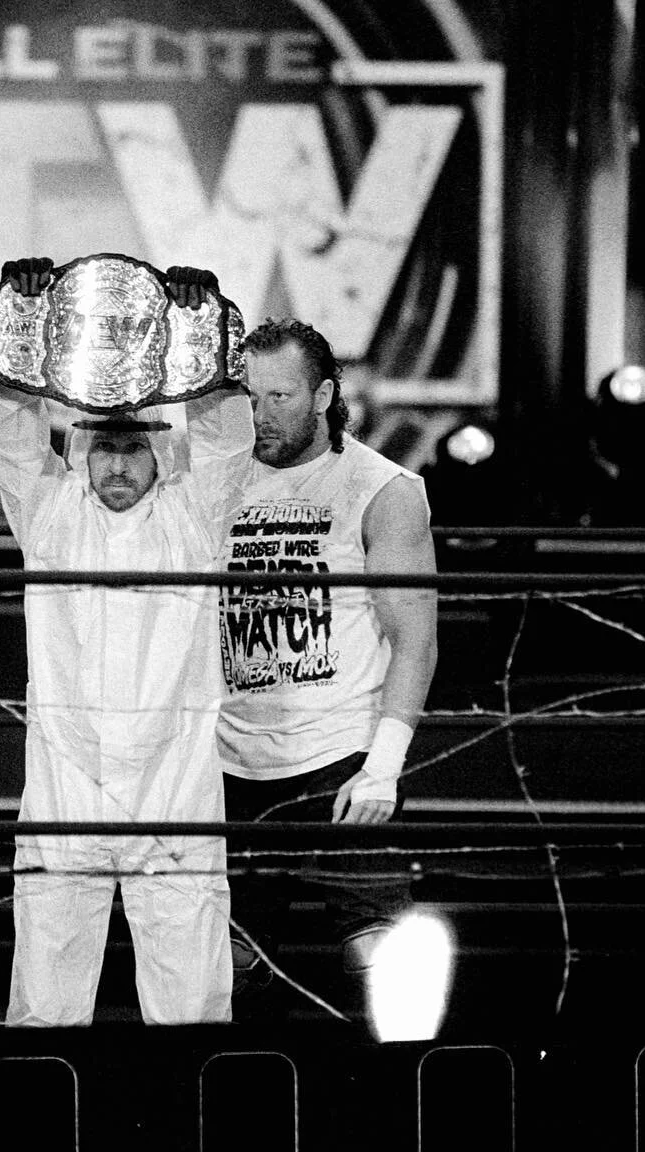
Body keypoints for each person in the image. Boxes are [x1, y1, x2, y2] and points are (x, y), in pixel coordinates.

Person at [0, 257, 255, 1026]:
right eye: (105, 448)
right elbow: (9, 438)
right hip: (66, 778)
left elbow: (229, 443)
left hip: (173, 783)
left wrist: (202, 331)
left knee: (190, 997)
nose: (119, 464)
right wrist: (23, 320)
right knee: (46, 989)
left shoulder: (193, 517)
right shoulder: (49, 512)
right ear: (83, 452)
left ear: (157, 454)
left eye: (134, 449)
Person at [217, 318, 438, 1003]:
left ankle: (406, 1101)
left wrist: (384, 766)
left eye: (279, 397)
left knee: (377, 952)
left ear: (323, 396)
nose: (260, 415)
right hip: (232, 760)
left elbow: (416, 639)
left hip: (341, 750)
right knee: (225, 965)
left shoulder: (381, 487)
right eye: (249, 398)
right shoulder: (212, 482)